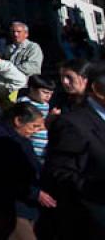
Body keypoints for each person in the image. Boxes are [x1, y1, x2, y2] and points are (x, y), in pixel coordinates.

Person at [44, 62, 105, 238]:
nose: (65, 82)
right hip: (90, 220)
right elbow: (58, 173)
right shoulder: (72, 124)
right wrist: (97, 187)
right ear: (97, 88)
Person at [0, 102, 56, 240]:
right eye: (34, 126)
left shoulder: (21, 138)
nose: (37, 131)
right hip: (10, 206)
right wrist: (36, 193)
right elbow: (4, 177)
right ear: (18, 121)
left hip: (24, 203)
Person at [16, 75, 55, 163]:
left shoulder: (45, 105)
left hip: (43, 146)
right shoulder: (25, 103)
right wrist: (50, 119)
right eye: (45, 92)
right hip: (31, 145)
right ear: (32, 89)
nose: (48, 96)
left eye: (50, 94)